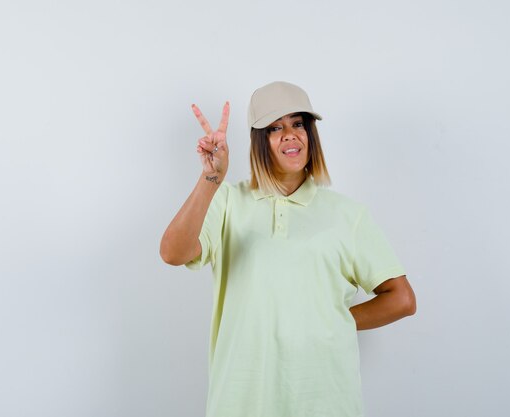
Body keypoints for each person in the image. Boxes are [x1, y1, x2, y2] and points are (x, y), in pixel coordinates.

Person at [160, 81, 416, 417]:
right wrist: (211, 179)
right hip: (240, 401)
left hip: (325, 401)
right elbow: (173, 253)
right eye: (275, 127)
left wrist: (332, 320)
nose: (290, 135)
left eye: (298, 124)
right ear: (259, 140)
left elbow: (401, 298)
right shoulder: (227, 202)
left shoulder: (347, 215)